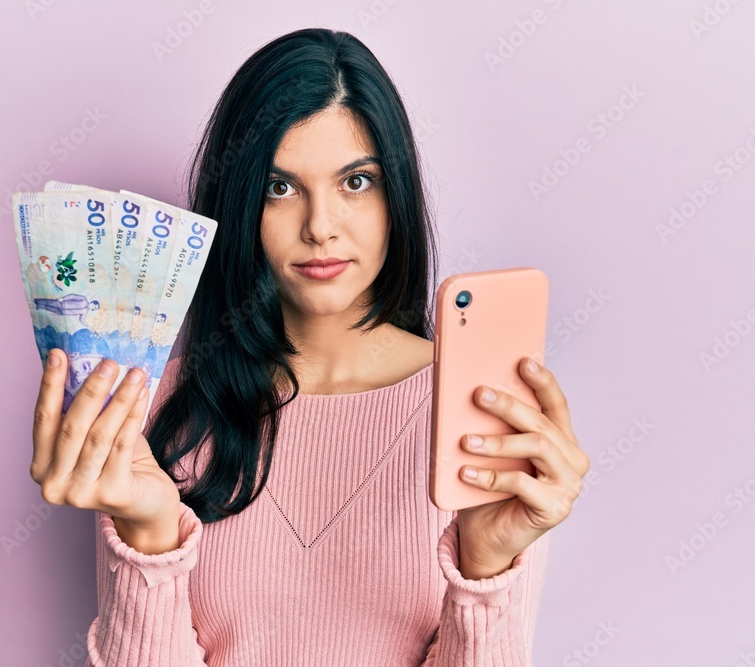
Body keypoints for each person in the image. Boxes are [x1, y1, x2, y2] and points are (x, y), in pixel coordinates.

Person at [29, 27, 589, 666]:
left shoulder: (485, 416)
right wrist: (149, 535)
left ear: (396, 194)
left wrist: (486, 568)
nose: (320, 226)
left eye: (355, 182)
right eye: (280, 187)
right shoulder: (159, 410)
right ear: (240, 204)